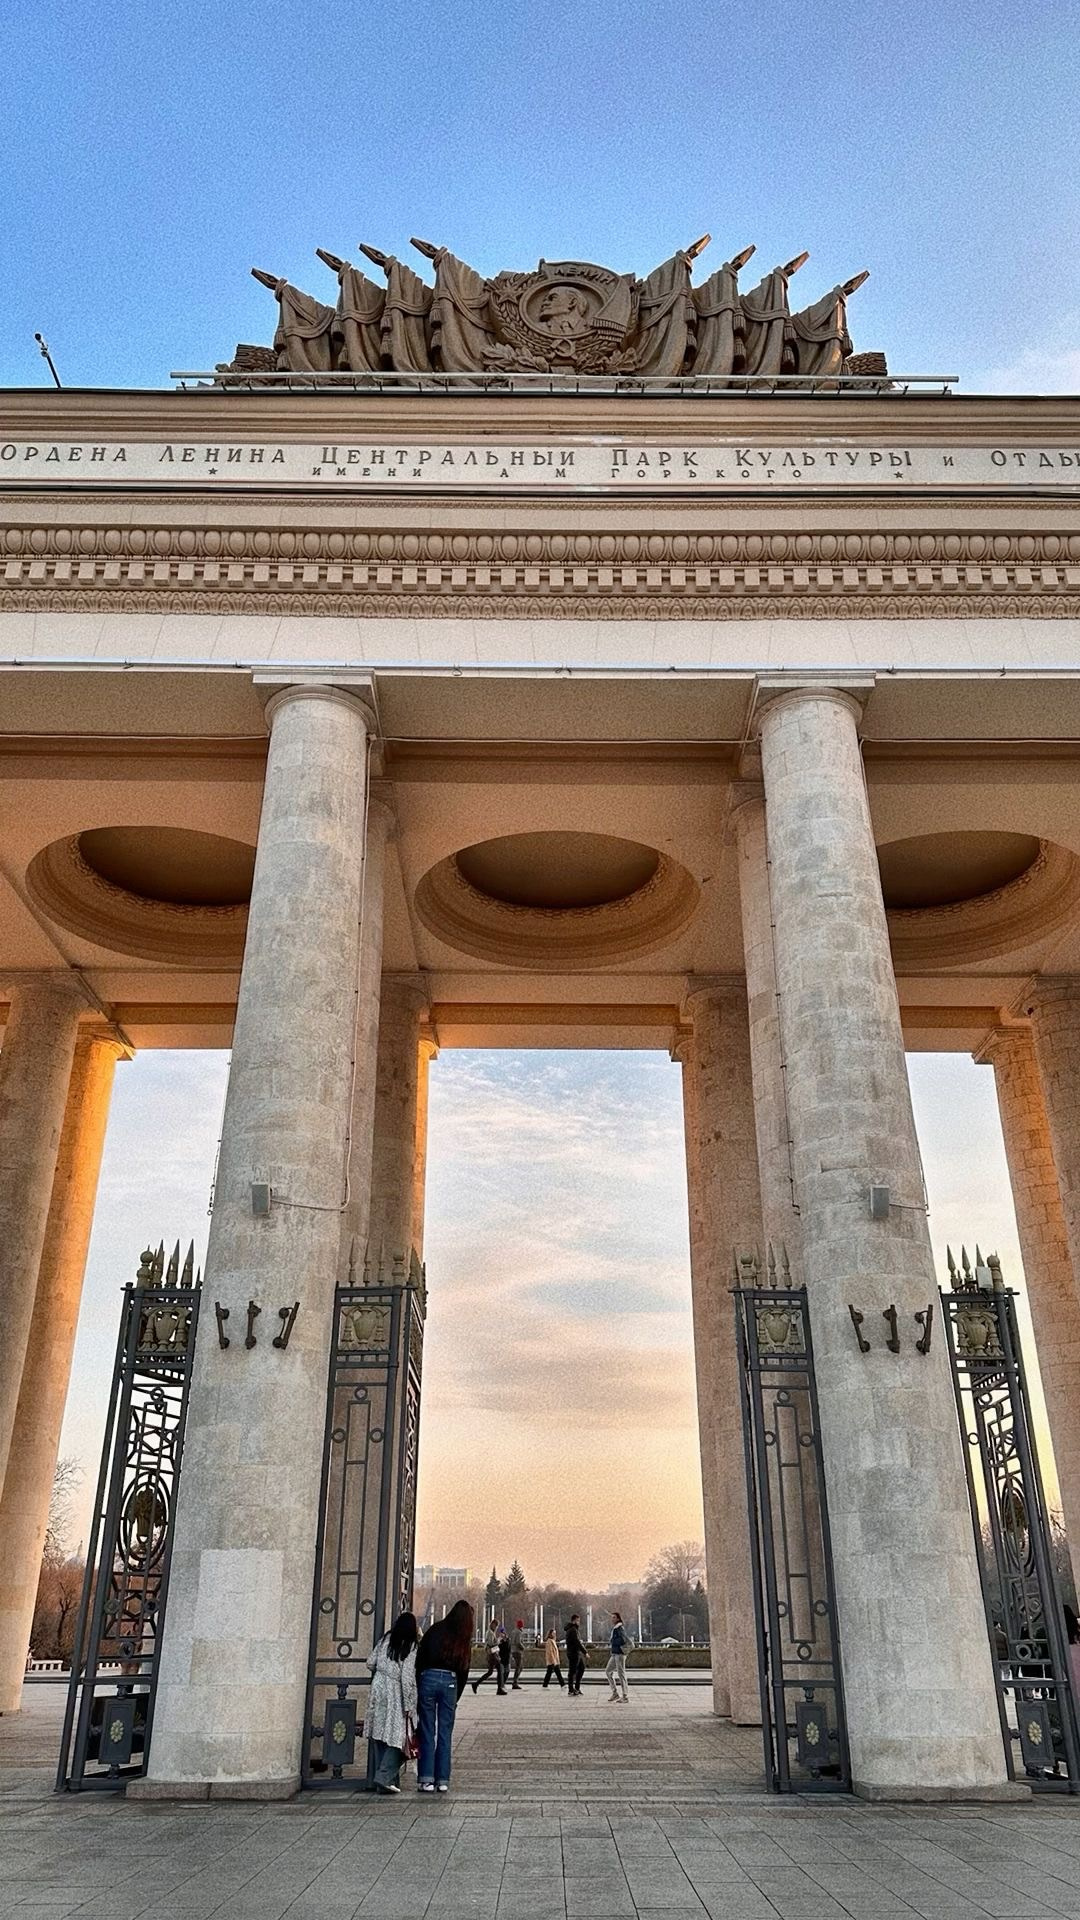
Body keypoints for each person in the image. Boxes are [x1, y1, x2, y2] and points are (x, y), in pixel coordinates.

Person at [416, 1599, 474, 1793]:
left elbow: (420, 1656)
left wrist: (418, 1683)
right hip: (450, 1680)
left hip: (428, 1677)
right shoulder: (463, 1637)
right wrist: (456, 1695)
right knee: (444, 1733)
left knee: (426, 1729)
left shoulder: (435, 1629)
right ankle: (442, 1780)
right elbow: (464, 1669)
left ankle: (426, 1779)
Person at [365, 1610, 418, 1793]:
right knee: (399, 1739)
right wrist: (409, 1705)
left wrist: (382, 1672)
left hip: (378, 1687)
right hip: (395, 1691)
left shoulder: (386, 1639)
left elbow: (370, 1662)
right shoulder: (411, 1646)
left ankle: (386, 1783)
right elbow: (407, 1677)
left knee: (379, 1735)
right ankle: (384, 1777)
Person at [471, 1620, 507, 1695]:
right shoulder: (490, 1633)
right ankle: (500, 1688)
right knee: (500, 1668)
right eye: (496, 1626)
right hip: (492, 1655)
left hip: (491, 1654)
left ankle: (476, 1684)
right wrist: (499, 1639)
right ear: (493, 1625)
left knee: (490, 1672)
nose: (496, 1628)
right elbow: (491, 1643)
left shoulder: (490, 1632)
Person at [606, 1612, 631, 1703]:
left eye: (614, 1617)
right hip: (615, 1653)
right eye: (611, 1617)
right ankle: (615, 1693)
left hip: (620, 1654)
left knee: (621, 1674)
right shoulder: (615, 1628)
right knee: (608, 1671)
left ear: (618, 1619)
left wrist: (613, 1641)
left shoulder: (619, 1628)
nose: (612, 1619)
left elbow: (623, 1640)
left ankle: (625, 1696)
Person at [565, 1614, 587, 1696]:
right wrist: (585, 1652)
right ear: (574, 1621)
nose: (579, 1623)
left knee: (581, 1668)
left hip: (576, 1653)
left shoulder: (574, 1629)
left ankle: (576, 1688)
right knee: (572, 1671)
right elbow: (577, 1642)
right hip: (574, 1653)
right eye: (578, 1621)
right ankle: (571, 1689)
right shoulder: (573, 1630)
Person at [542, 1625, 564, 1690]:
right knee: (557, 1673)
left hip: (554, 1660)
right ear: (550, 1634)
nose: (554, 1634)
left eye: (555, 1633)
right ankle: (562, 1684)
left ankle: (545, 1685)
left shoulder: (552, 1641)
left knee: (550, 1673)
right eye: (553, 1633)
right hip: (552, 1660)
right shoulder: (549, 1641)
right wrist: (554, 1661)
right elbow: (550, 1652)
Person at [509, 1620, 526, 1690]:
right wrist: (523, 1647)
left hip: (513, 1650)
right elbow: (518, 1642)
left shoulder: (513, 1632)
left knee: (518, 1667)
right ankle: (515, 1682)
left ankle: (515, 1682)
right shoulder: (519, 1632)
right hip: (518, 1651)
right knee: (519, 1667)